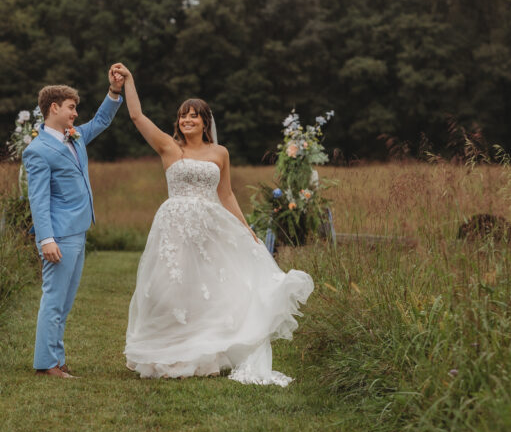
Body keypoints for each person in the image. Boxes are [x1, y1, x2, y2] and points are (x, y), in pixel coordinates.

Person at [109, 63, 313, 386]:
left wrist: (246, 229)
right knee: (170, 288)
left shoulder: (220, 153)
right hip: (174, 226)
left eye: (193, 115)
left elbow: (227, 194)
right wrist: (129, 81)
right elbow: (137, 117)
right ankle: (168, 351)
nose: (186, 120)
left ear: (205, 122)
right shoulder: (168, 147)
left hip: (210, 228)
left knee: (208, 290)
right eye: (182, 115)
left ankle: (204, 353)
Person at [23, 71, 124, 379]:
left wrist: (114, 91)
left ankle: (56, 359)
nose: (76, 113)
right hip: (59, 235)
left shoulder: (75, 137)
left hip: (78, 231)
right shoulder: (37, 150)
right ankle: (46, 364)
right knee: (54, 300)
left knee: (64, 303)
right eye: (71, 107)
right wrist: (46, 240)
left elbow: (101, 122)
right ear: (54, 108)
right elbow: (39, 200)